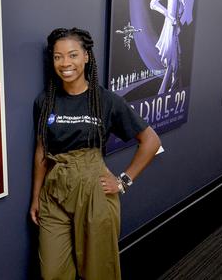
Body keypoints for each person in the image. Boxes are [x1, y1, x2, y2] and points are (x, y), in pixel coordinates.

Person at [30, 28, 161, 280]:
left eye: (72, 55)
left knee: (98, 271)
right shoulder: (44, 101)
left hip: (93, 191)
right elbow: (41, 151)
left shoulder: (106, 100)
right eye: (58, 57)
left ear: (86, 56)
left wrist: (123, 182)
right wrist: (36, 197)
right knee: (52, 272)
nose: (65, 63)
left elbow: (150, 141)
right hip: (54, 192)